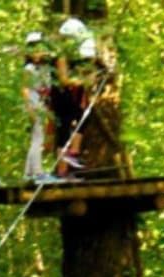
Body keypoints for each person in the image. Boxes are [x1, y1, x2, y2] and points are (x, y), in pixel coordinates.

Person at [50, 16, 98, 178]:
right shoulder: (61, 55)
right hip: (61, 95)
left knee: (83, 117)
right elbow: (63, 80)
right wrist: (82, 81)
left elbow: (87, 65)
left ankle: (74, 154)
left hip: (72, 94)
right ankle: (62, 169)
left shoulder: (75, 55)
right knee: (64, 127)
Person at [22, 31, 53, 181]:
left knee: (37, 136)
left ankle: (28, 173)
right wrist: (30, 109)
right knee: (38, 138)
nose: (37, 53)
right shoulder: (29, 69)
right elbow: (25, 88)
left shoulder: (44, 69)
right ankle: (37, 172)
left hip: (41, 104)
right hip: (34, 104)